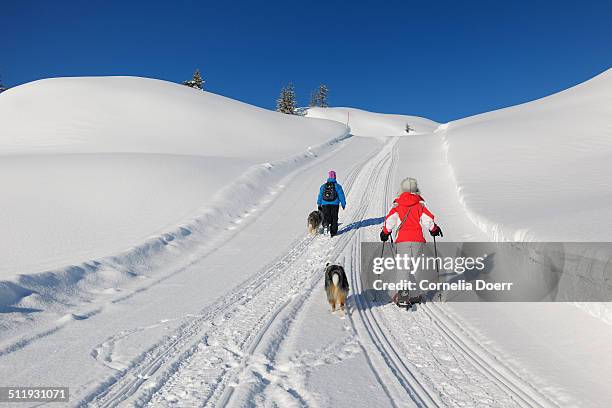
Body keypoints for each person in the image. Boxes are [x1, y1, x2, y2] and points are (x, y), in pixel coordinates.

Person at [379, 177, 443, 306]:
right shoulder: (420, 204)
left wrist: (385, 232)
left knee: (403, 268)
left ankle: (403, 296)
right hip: (418, 240)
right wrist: (434, 229)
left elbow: (390, 221)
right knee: (416, 268)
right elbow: (428, 220)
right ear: (416, 189)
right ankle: (414, 295)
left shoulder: (397, 204)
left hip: (402, 241)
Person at [317, 170, 346, 237]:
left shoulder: (323, 186)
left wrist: (319, 204)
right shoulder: (338, 186)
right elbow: (341, 195)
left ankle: (326, 226)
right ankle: (333, 232)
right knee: (334, 217)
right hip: (335, 204)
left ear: (328, 177)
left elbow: (320, 195)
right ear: (335, 177)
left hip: (325, 204)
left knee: (326, 216)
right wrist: (343, 204)